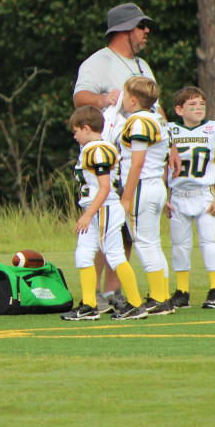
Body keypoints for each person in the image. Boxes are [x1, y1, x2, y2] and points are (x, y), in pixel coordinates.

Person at [72, 3, 157, 313]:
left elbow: (154, 110)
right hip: (107, 159)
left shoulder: (143, 66)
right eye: (140, 26)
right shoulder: (98, 62)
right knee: (99, 226)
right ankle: (92, 295)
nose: (146, 31)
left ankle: (112, 294)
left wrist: (170, 145)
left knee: (124, 232)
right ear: (123, 31)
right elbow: (80, 98)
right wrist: (102, 99)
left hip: (139, 157)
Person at [61, 106, 146, 321]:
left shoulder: (96, 150)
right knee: (83, 254)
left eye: (76, 131)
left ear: (86, 128)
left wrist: (88, 214)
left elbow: (105, 187)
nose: (74, 136)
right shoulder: (98, 148)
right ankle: (89, 304)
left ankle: (135, 304)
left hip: (103, 208)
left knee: (115, 255)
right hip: (99, 208)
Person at [166, 86, 215, 310]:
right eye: (192, 105)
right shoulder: (168, 132)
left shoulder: (214, 130)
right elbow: (160, 167)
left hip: (204, 194)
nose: (198, 108)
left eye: (201, 104)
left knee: (210, 242)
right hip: (177, 195)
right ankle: (182, 291)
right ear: (179, 109)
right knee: (179, 245)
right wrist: (164, 197)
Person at [116, 77, 175, 314]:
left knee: (145, 243)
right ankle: (162, 296)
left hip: (141, 186)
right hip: (156, 185)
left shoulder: (138, 122)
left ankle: (160, 298)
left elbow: (137, 163)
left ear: (132, 99)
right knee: (154, 244)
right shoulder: (158, 118)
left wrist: (126, 197)